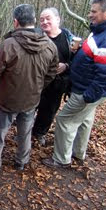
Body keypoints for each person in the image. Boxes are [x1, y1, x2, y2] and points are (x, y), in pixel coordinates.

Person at [42, 0, 106, 168]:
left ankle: (61, 159)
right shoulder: (105, 29)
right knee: (84, 120)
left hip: (87, 90)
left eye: (94, 11)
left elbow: (105, 75)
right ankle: (78, 152)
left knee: (65, 120)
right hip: (87, 87)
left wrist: (88, 96)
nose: (90, 15)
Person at [0, 4, 59, 174]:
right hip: (31, 99)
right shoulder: (49, 46)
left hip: (7, 99)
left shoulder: (8, 45)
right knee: (25, 132)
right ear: (34, 21)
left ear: (15, 22)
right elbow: (52, 72)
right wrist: (38, 86)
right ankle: (21, 161)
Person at [32, 8, 74, 146]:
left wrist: (66, 66)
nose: (44, 22)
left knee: (49, 111)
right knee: (30, 108)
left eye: (48, 18)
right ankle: (26, 133)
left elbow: (78, 61)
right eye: (42, 19)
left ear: (57, 19)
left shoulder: (69, 39)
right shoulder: (36, 37)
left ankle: (39, 133)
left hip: (58, 83)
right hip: (37, 81)